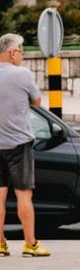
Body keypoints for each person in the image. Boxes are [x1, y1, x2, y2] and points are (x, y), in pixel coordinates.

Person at [0, 32, 48, 258]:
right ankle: (31, 243)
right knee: (23, 194)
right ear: (11, 53)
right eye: (21, 51)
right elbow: (37, 101)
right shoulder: (22, 74)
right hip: (19, 144)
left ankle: (0, 243)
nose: (22, 56)